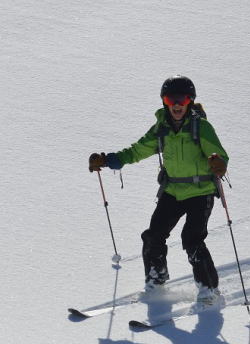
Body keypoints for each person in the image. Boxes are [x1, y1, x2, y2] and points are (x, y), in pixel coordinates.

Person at [89, 75, 229, 304]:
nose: (176, 105)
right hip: (173, 191)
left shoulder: (200, 128)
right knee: (153, 236)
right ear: (164, 101)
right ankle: (156, 280)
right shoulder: (161, 129)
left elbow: (220, 155)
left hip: (201, 191)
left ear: (190, 101)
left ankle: (209, 291)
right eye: (170, 99)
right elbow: (137, 150)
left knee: (192, 239)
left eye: (182, 100)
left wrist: (219, 163)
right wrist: (108, 160)